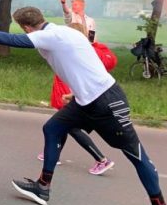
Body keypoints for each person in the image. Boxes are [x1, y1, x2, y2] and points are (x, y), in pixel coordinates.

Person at [0, 8, 167, 205]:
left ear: (27, 27)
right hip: (86, 100)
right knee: (53, 128)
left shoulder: (50, 36)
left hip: (107, 102)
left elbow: (13, 40)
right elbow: (81, 62)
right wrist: (78, 92)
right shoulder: (63, 33)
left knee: (135, 154)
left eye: (24, 30)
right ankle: (42, 187)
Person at [43, 22, 116, 175]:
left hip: (72, 94)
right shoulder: (81, 49)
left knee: (71, 127)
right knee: (60, 125)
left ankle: (101, 159)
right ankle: (52, 154)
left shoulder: (78, 50)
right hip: (74, 92)